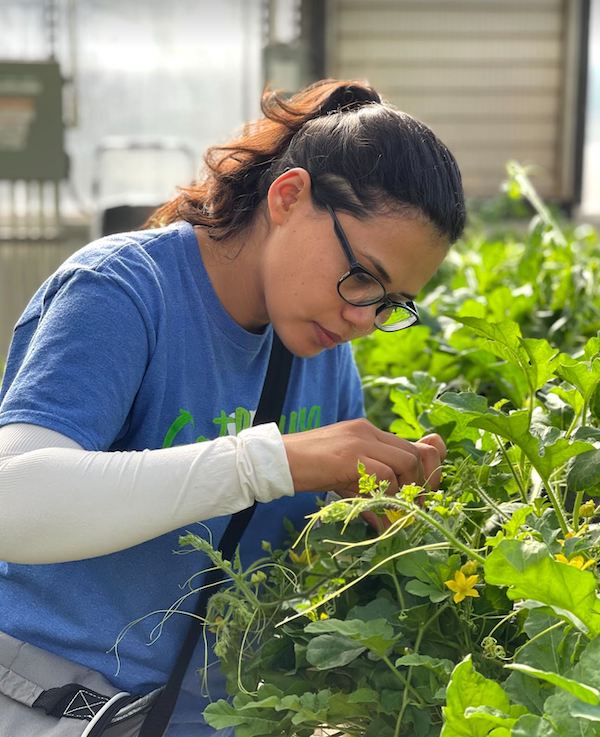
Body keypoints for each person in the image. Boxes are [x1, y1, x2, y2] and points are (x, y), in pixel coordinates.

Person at [0, 78, 465, 735]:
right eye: (362, 276)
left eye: (391, 304)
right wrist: (268, 462)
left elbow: (296, 554)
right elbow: (14, 502)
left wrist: (380, 523)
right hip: (64, 707)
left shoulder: (322, 352)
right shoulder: (121, 292)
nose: (364, 318)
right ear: (288, 197)